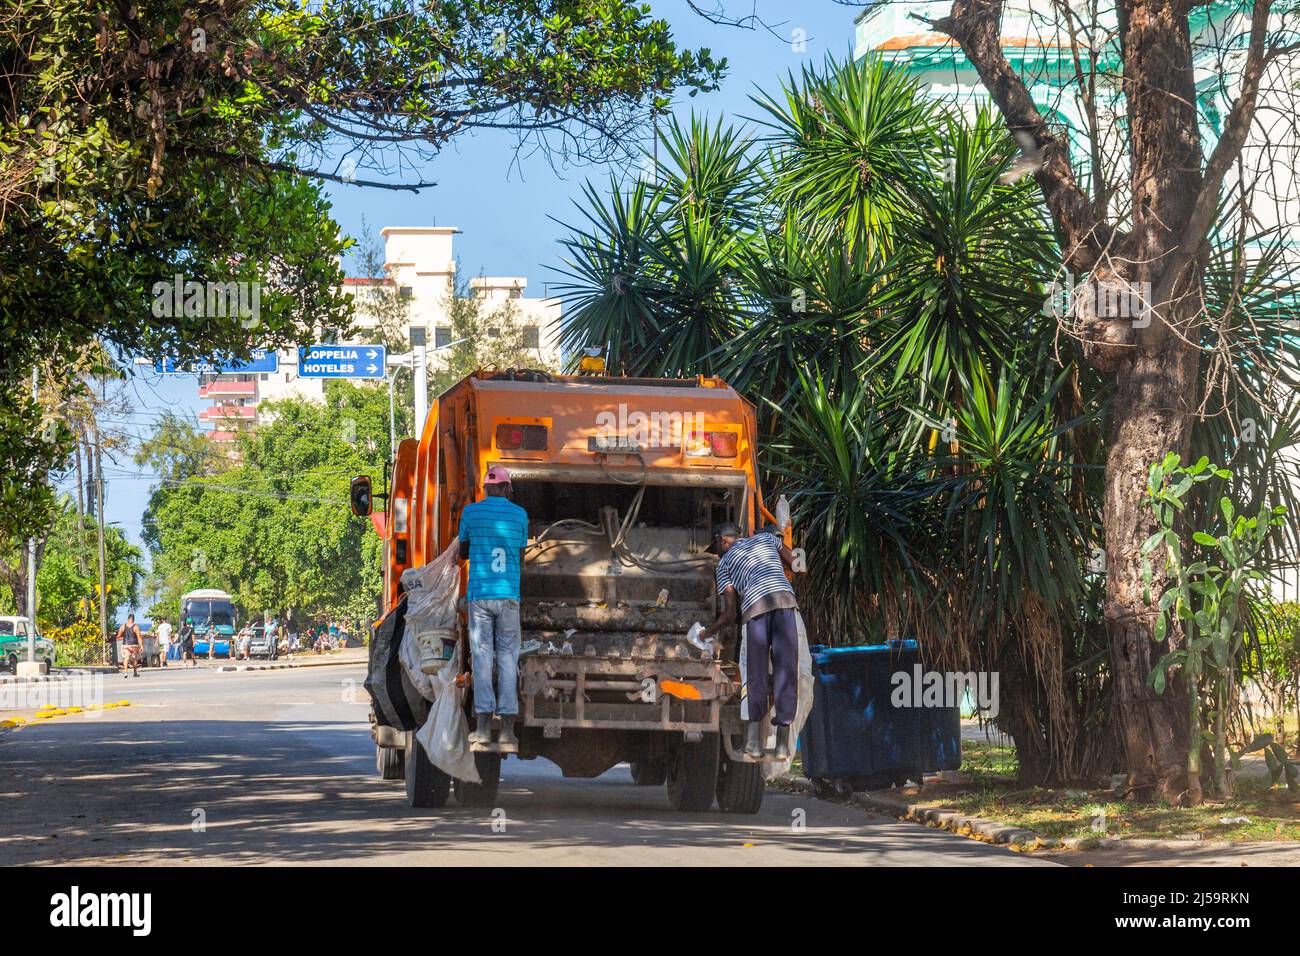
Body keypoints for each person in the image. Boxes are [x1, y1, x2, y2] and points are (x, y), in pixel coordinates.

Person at [699, 521, 800, 759]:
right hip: (784, 602)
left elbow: (730, 612)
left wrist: (707, 632)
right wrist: (783, 543)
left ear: (721, 541)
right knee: (786, 670)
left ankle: (754, 743)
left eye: (716, 547)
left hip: (755, 609)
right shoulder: (766, 540)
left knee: (755, 672)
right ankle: (783, 745)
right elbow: (797, 566)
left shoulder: (724, 563)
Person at [459, 464, 528, 752]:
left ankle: (484, 728)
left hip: (480, 595)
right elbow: (521, 556)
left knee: (483, 658)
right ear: (507, 488)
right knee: (508, 659)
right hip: (509, 595)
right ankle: (509, 733)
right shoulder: (519, 514)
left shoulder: (471, 513)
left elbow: (462, 552)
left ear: (486, 489)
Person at [115, 613, 143, 678]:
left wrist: (122, 635)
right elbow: (139, 637)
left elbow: (118, 636)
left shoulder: (123, 626)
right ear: (133, 619)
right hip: (134, 645)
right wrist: (141, 646)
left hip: (125, 645)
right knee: (134, 659)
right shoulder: (136, 626)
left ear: (128, 619)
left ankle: (125, 672)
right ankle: (135, 673)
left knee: (126, 658)